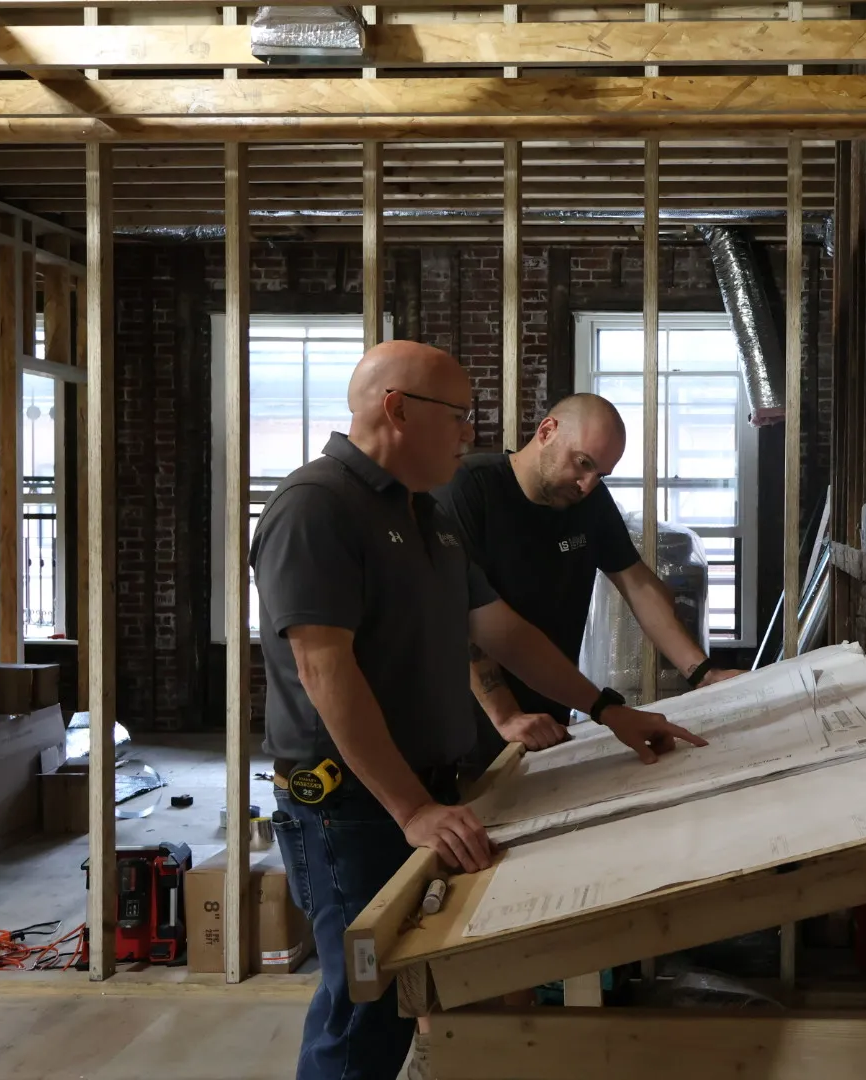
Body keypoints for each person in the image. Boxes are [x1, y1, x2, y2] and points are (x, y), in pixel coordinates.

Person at [250, 342, 706, 1080]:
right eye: (458, 416)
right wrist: (412, 810)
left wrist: (608, 708)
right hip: (350, 805)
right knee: (364, 1006)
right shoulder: (318, 506)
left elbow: (502, 632)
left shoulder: (423, 514)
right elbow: (322, 669)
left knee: (420, 993)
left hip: (426, 789)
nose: (470, 434)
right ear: (396, 408)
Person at [434, 392, 743, 763]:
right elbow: (457, 617)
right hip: (472, 719)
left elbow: (638, 585)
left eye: (600, 474)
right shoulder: (468, 489)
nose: (587, 484)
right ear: (547, 431)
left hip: (549, 712)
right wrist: (506, 714)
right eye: (582, 463)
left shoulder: (589, 501)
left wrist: (703, 673)